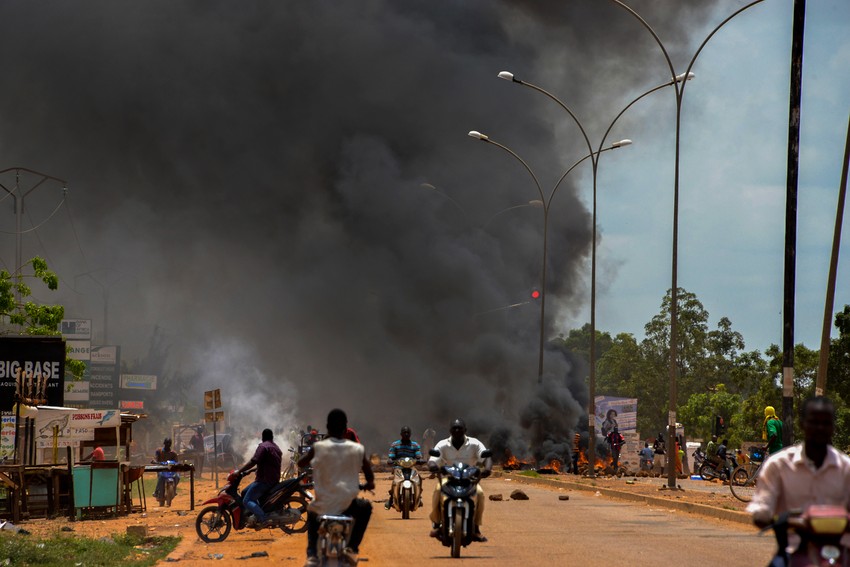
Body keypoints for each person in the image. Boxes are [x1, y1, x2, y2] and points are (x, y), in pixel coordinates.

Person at [747, 397, 850, 557]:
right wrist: (770, 515)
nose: (820, 428)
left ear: (833, 427)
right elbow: (762, 510)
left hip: (838, 553)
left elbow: (772, 436)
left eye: (826, 423)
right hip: (793, 552)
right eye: (814, 422)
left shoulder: (845, 468)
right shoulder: (778, 466)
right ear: (802, 424)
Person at [299, 409, 374, 567]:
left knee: (311, 512)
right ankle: (352, 548)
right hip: (349, 506)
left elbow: (301, 463)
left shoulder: (318, 447)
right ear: (346, 427)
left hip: (323, 505)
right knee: (366, 507)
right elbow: (369, 473)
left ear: (327, 426)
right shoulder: (357, 449)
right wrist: (369, 484)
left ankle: (312, 555)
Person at [428, 418, 491, 542]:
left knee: (479, 493)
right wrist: (432, 466)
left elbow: (486, 456)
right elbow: (433, 459)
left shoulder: (474, 443)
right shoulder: (442, 444)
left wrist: (488, 469)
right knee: (438, 490)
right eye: (454, 428)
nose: (457, 431)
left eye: (460, 428)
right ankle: (436, 523)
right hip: (449, 479)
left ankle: (476, 528)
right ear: (450, 430)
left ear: (465, 430)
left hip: (469, 479)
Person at [236, 428, 283, 528]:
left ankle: (263, 519)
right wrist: (250, 471)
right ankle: (254, 514)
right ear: (272, 437)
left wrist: (239, 471)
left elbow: (254, 461)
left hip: (264, 481)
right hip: (274, 479)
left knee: (246, 500)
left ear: (262, 437)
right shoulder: (276, 447)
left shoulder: (263, 446)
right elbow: (267, 463)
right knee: (244, 492)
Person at [385, 426, 424, 510]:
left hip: (411, 467)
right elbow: (391, 456)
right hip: (398, 467)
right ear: (401, 434)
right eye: (404, 433)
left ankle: (419, 497)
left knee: (419, 478)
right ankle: (391, 498)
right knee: (395, 481)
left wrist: (420, 460)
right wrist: (391, 460)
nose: (406, 434)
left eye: (408, 433)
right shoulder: (395, 445)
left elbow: (418, 456)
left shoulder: (415, 445)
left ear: (410, 434)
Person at [152, 438, 179, 504]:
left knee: (177, 477)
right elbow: (155, 459)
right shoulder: (159, 451)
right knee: (161, 477)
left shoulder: (173, 453)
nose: (168, 445)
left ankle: (174, 490)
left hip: (170, 470)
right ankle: (156, 491)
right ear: (164, 443)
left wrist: (176, 464)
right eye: (166, 443)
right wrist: (155, 462)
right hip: (161, 469)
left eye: (169, 443)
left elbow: (176, 461)